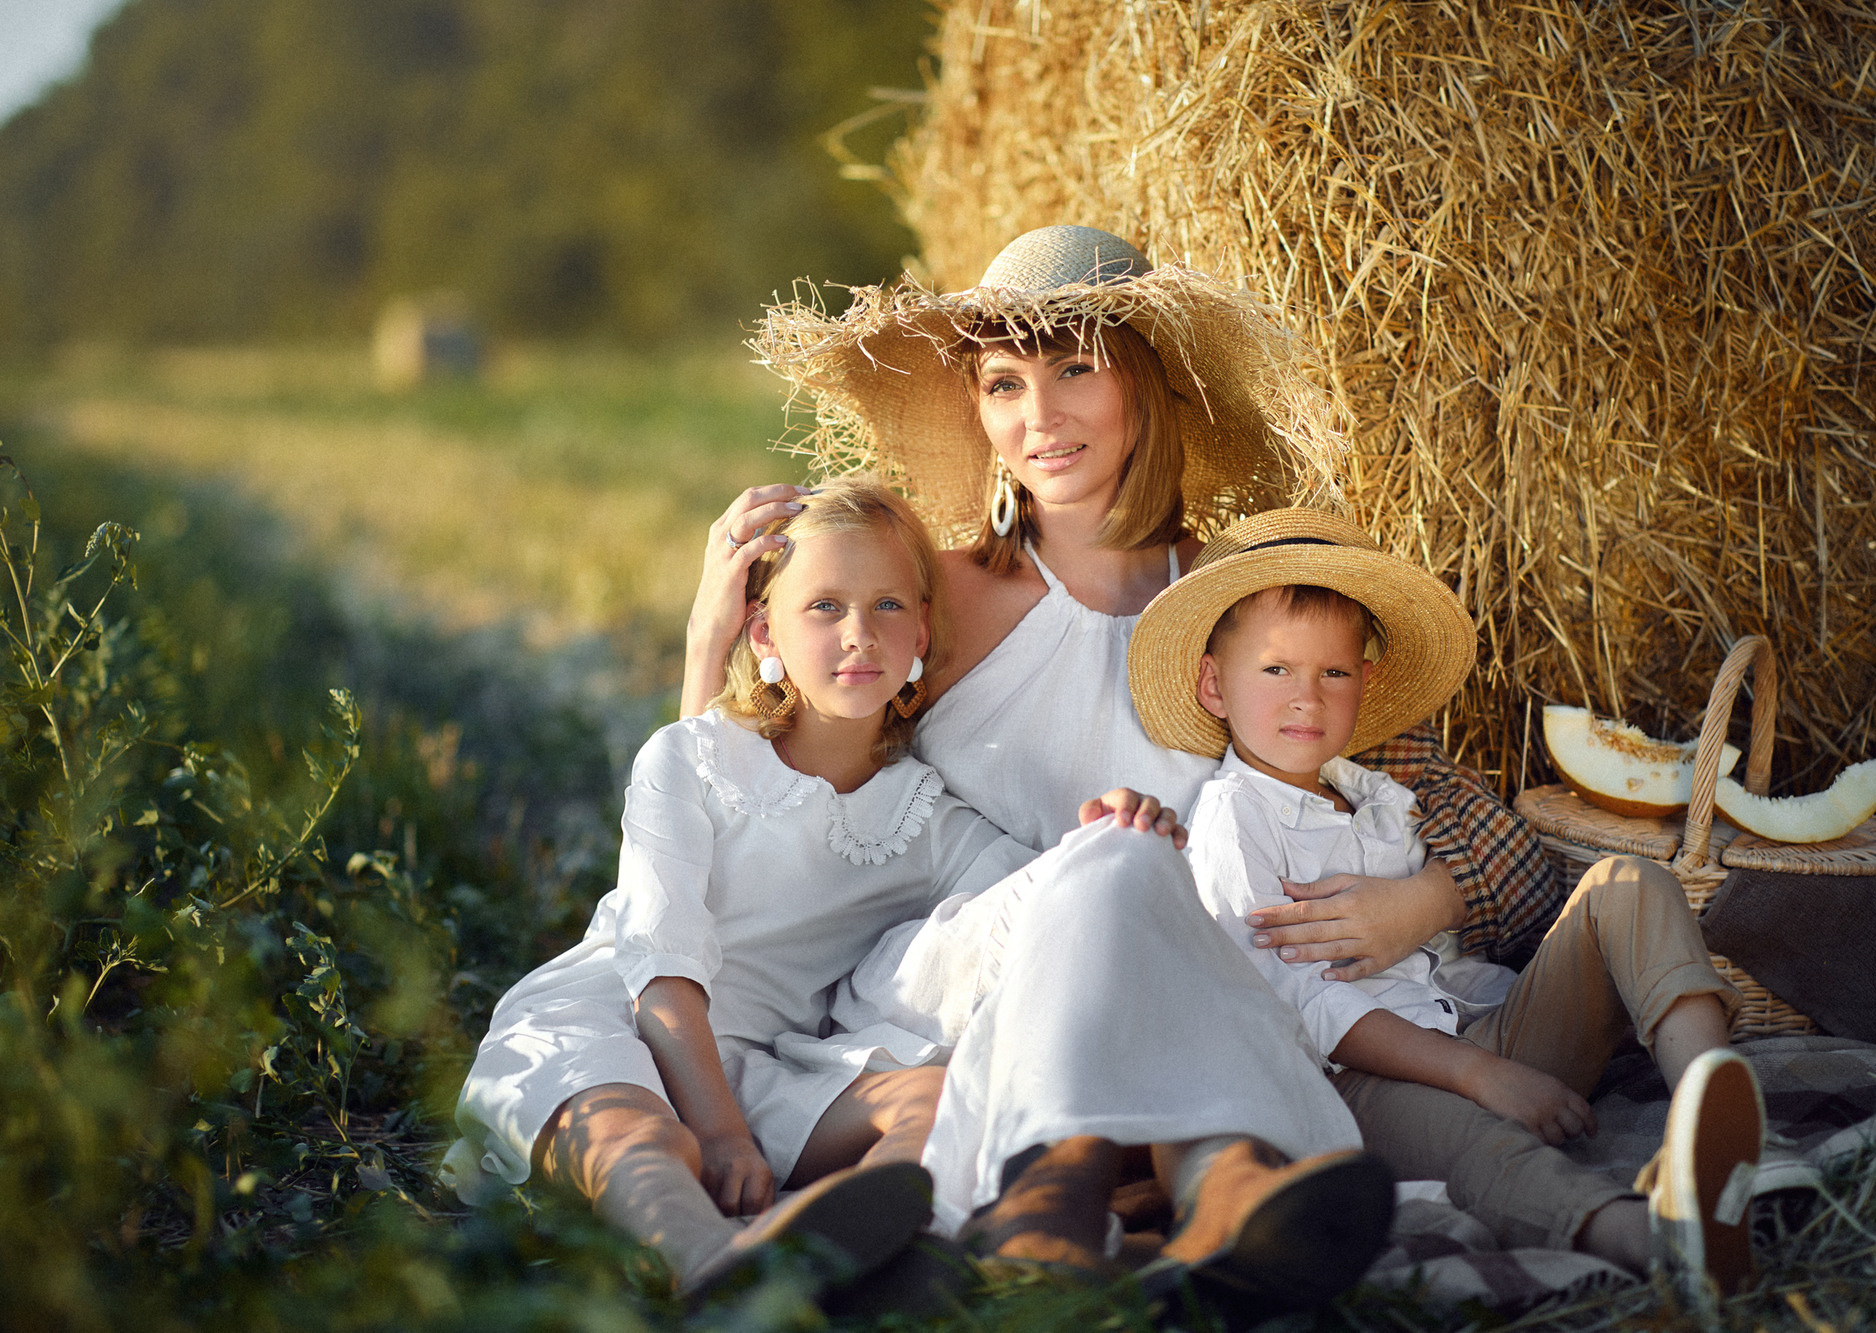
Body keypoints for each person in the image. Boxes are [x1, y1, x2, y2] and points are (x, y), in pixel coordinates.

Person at [682, 226, 1414, 1307]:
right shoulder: (935, 590)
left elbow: (1401, 792)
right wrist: (709, 633)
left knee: (1131, 875)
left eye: (1075, 369)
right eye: (1003, 383)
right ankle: (1171, 1176)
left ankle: (1083, 1202)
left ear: (1145, 383)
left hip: (1191, 966)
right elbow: (727, 799)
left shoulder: (1236, 592)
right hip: (959, 966)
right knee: (1111, 858)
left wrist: (1422, 899)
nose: (1038, 418)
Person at [442, 477, 1177, 1300]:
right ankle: (712, 1270)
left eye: (888, 606)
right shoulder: (688, 759)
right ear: (766, 631)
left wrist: (1114, 828)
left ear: (924, 631)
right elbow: (663, 970)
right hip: (617, 1016)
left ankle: (874, 1237)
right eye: (824, 607)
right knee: (641, 1140)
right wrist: (718, 1135)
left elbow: (1042, 898)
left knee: (932, 1097)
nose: (860, 635)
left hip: (765, 1066)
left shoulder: (926, 816)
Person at [1126, 505, 1770, 1309]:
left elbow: (1523, 878)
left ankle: (1716, 1105)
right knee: (1482, 1144)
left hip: (1477, 1034)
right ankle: (1658, 1243)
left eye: (1333, 672)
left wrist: (1438, 918)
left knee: (1629, 881)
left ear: (1366, 682)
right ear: (1214, 685)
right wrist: (1481, 1074)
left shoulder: (1380, 792)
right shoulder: (1233, 817)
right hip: (1355, 1081)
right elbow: (1297, 1003)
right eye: (1276, 670)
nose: (1307, 698)